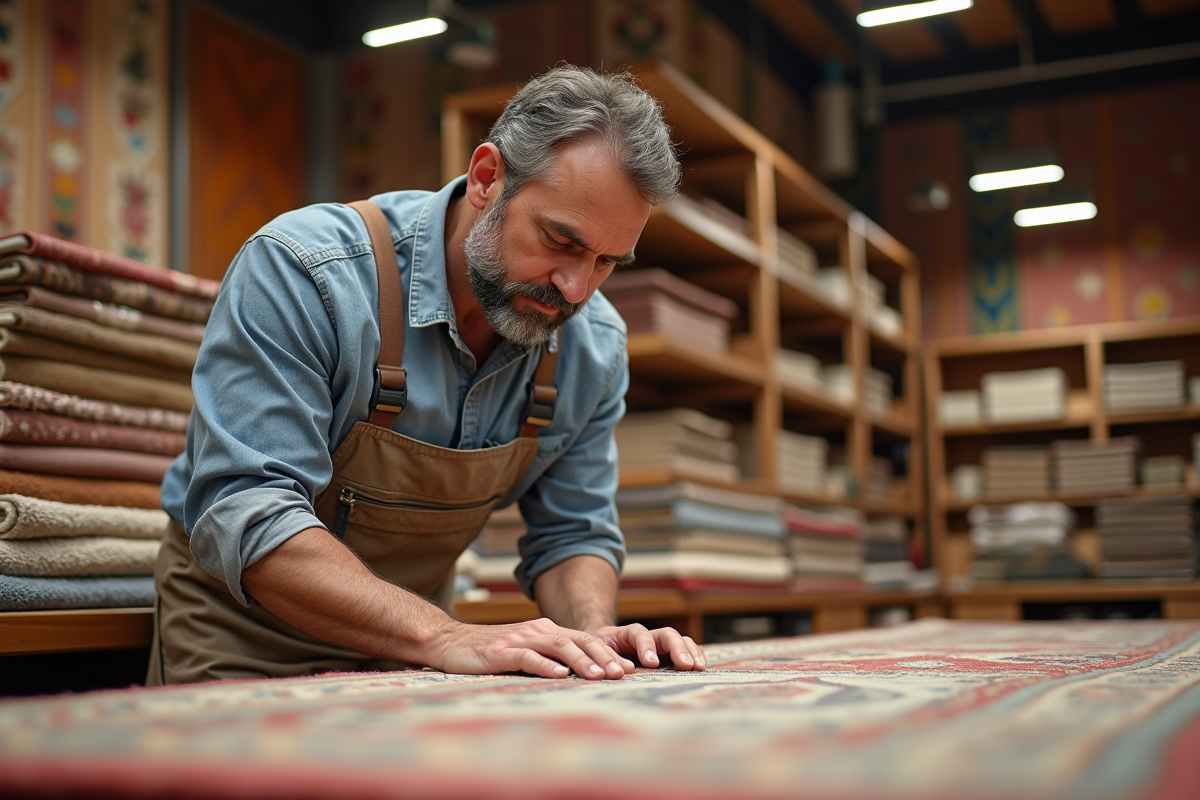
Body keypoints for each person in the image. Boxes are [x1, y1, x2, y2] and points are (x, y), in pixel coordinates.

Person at [148, 65, 708, 685]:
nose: (576, 287)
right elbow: (249, 512)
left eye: (607, 261)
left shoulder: (592, 345)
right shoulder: (305, 272)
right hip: (245, 638)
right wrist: (444, 633)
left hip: (414, 650)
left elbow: (573, 532)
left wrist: (592, 632)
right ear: (487, 179)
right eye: (560, 240)